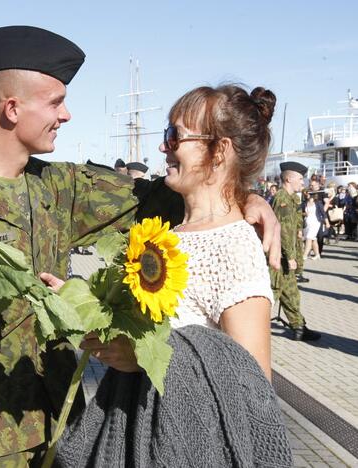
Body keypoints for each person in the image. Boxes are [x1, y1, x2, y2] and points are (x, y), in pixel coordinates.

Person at [0, 27, 282, 467]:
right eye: (56, 102)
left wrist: (248, 197)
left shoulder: (60, 187)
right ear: (13, 108)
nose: (68, 114)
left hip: (66, 433)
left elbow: (167, 194)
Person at [57, 84, 293, 467]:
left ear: (220, 151)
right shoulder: (167, 232)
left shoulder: (233, 246)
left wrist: (147, 357)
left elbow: (251, 385)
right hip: (138, 431)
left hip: (187, 448)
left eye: (174, 136)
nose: (164, 147)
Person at [273, 163, 321, 341]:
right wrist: (290, 257)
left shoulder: (291, 199)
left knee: (291, 293)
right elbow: (283, 231)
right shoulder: (282, 199)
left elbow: (293, 228)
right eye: (300, 178)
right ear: (288, 179)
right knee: (272, 293)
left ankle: (299, 327)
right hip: (279, 257)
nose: (303, 182)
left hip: (285, 257)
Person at [302, 188, 322, 259]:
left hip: (315, 222)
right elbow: (299, 212)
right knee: (313, 239)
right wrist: (304, 213)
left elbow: (323, 213)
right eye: (306, 193)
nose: (306, 194)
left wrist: (327, 222)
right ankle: (317, 254)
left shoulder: (318, 203)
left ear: (312, 195)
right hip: (307, 222)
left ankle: (305, 255)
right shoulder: (304, 203)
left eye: (308, 193)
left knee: (309, 238)